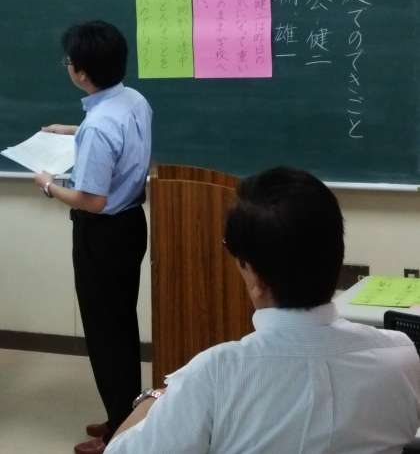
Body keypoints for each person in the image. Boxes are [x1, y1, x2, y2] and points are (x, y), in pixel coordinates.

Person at [105, 165, 420, 454]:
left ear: (253, 275)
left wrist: (155, 399)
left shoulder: (214, 375)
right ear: (337, 256)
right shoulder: (401, 356)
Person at [34, 20, 152, 454]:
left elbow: (91, 200)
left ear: (81, 72)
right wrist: (74, 130)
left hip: (102, 235)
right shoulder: (132, 99)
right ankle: (125, 410)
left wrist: (49, 185)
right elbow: (111, 135)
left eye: (69, 61)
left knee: (105, 333)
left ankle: (119, 432)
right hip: (131, 225)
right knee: (120, 325)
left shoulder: (100, 126)